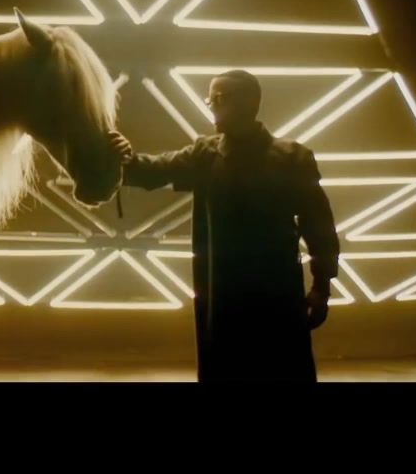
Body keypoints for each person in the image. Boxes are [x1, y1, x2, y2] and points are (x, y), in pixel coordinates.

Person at [108, 69, 340, 382]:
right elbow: (150, 171)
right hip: (255, 296)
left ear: (247, 102)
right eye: (211, 99)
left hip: (248, 296)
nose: (211, 105)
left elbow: (319, 227)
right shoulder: (211, 154)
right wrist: (121, 156)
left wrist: (322, 286)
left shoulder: (288, 158)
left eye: (218, 98)